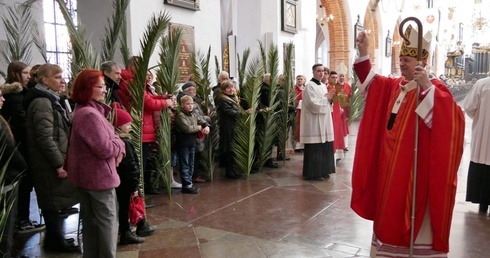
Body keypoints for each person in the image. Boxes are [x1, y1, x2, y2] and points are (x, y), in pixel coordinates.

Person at [351, 26, 465, 256]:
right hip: (388, 171)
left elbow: (452, 124)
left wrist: (426, 89)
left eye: (408, 60)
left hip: (415, 173)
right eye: (401, 59)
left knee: (411, 210)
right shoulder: (394, 86)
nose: (402, 63)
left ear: (422, 62)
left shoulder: (435, 89)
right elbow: (371, 83)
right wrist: (363, 51)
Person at [66, 69, 126, 257]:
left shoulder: (87, 111)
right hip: (98, 178)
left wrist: (116, 141)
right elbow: (105, 148)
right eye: (100, 86)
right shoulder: (89, 115)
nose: (104, 90)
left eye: (104, 86)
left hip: (90, 177)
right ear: (86, 89)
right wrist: (121, 143)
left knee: (92, 224)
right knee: (107, 224)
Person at [23, 63, 80, 253]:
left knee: (54, 201)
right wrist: (58, 163)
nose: (62, 80)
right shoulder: (42, 102)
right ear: (44, 80)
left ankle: (56, 239)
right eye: (57, 77)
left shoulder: (51, 99)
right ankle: (55, 242)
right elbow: (45, 137)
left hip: (54, 158)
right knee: (51, 202)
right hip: (47, 162)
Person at [117, 57, 179, 194]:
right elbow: (147, 103)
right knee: (139, 163)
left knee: (142, 162)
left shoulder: (132, 81)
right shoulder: (131, 82)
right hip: (139, 127)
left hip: (144, 126)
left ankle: (141, 194)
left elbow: (148, 98)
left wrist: (162, 97)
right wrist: (166, 103)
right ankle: (138, 196)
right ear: (133, 67)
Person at [0, 61, 46, 234]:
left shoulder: (20, 94)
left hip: (22, 144)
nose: (29, 76)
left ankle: (22, 218)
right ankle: (22, 220)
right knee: (24, 184)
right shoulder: (15, 96)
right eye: (25, 73)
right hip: (20, 145)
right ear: (16, 74)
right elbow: (20, 122)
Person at [112, 104, 156, 245]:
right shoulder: (124, 142)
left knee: (124, 206)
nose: (130, 126)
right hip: (127, 182)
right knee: (126, 207)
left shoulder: (117, 140)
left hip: (121, 181)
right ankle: (128, 232)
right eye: (127, 124)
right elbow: (130, 166)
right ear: (119, 125)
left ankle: (133, 228)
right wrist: (134, 185)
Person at [0, 88, 28, 258]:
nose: (3, 99)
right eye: (0, 96)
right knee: (6, 224)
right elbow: (9, 149)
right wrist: (24, 167)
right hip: (6, 178)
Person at [300, 64, 336, 181]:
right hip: (314, 122)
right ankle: (314, 173)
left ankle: (324, 170)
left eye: (323, 71)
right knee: (315, 147)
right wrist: (327, 98)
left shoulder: (322, 86)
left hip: (324, 121)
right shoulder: (309, 86)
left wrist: (329, 99)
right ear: (313, 72)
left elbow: (326, 101)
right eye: (318, 71)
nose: (321, 73)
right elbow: (313, 104)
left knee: (324, 146)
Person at [463, 76, 490, 214]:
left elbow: (468, 107)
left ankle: (483, 204)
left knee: (482, 161)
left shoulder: (483, 84)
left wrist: (479, 118)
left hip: (483, 136)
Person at [175, 95, 210, 194]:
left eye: (191, 104)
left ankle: (189, 183)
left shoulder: (193, 114)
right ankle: (186, 185)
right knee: (185, 164)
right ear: (182, 105)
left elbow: (201, 120)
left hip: (192, 142)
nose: (190, 106)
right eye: (188, 104)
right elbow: (187, 128)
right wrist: (198, 128)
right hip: (183, 143)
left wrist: (205, 125)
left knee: (191, 163)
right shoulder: (181, 116)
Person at [217, 80, 252, 179]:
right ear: (223, 90)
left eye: (232, 87)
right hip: (228, 127)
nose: (231, 89)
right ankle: (229, 171)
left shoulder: (234, 97)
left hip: (235, 126)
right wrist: (245, 113)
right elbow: (231, 112)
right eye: (228, 88)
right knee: (229, 148)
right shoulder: (223, 99)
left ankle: (233, 170)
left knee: (234, 148)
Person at [326, 71, 346, 162]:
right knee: (333, 131)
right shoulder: (327, 87)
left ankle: (337, 154)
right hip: (332, 112)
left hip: (337, 112)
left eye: (335, 77)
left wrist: (341, 107)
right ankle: (333, 154)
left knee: (338, 131)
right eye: (332, 77)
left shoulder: (337, 87)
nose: (334, 79)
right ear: (329, 78)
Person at [337, 72, 352, 151]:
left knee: (345, 127)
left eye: (343, 76)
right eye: (340, 76)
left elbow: (351, 97)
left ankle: (345, 145)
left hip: (345, 109)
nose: (341, 77)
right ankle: (339, 145)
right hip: (337, 109)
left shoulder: (348, 86)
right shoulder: (335, 86)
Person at [293, 75, 305, 152]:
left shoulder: (306, 89)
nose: (300, 80)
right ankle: (297, 147)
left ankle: (303, 145)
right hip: (297, 111)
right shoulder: (294, 89)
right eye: (298, 79)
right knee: (297, 127)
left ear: (304, 80)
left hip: (305, 111)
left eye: (301, 79)